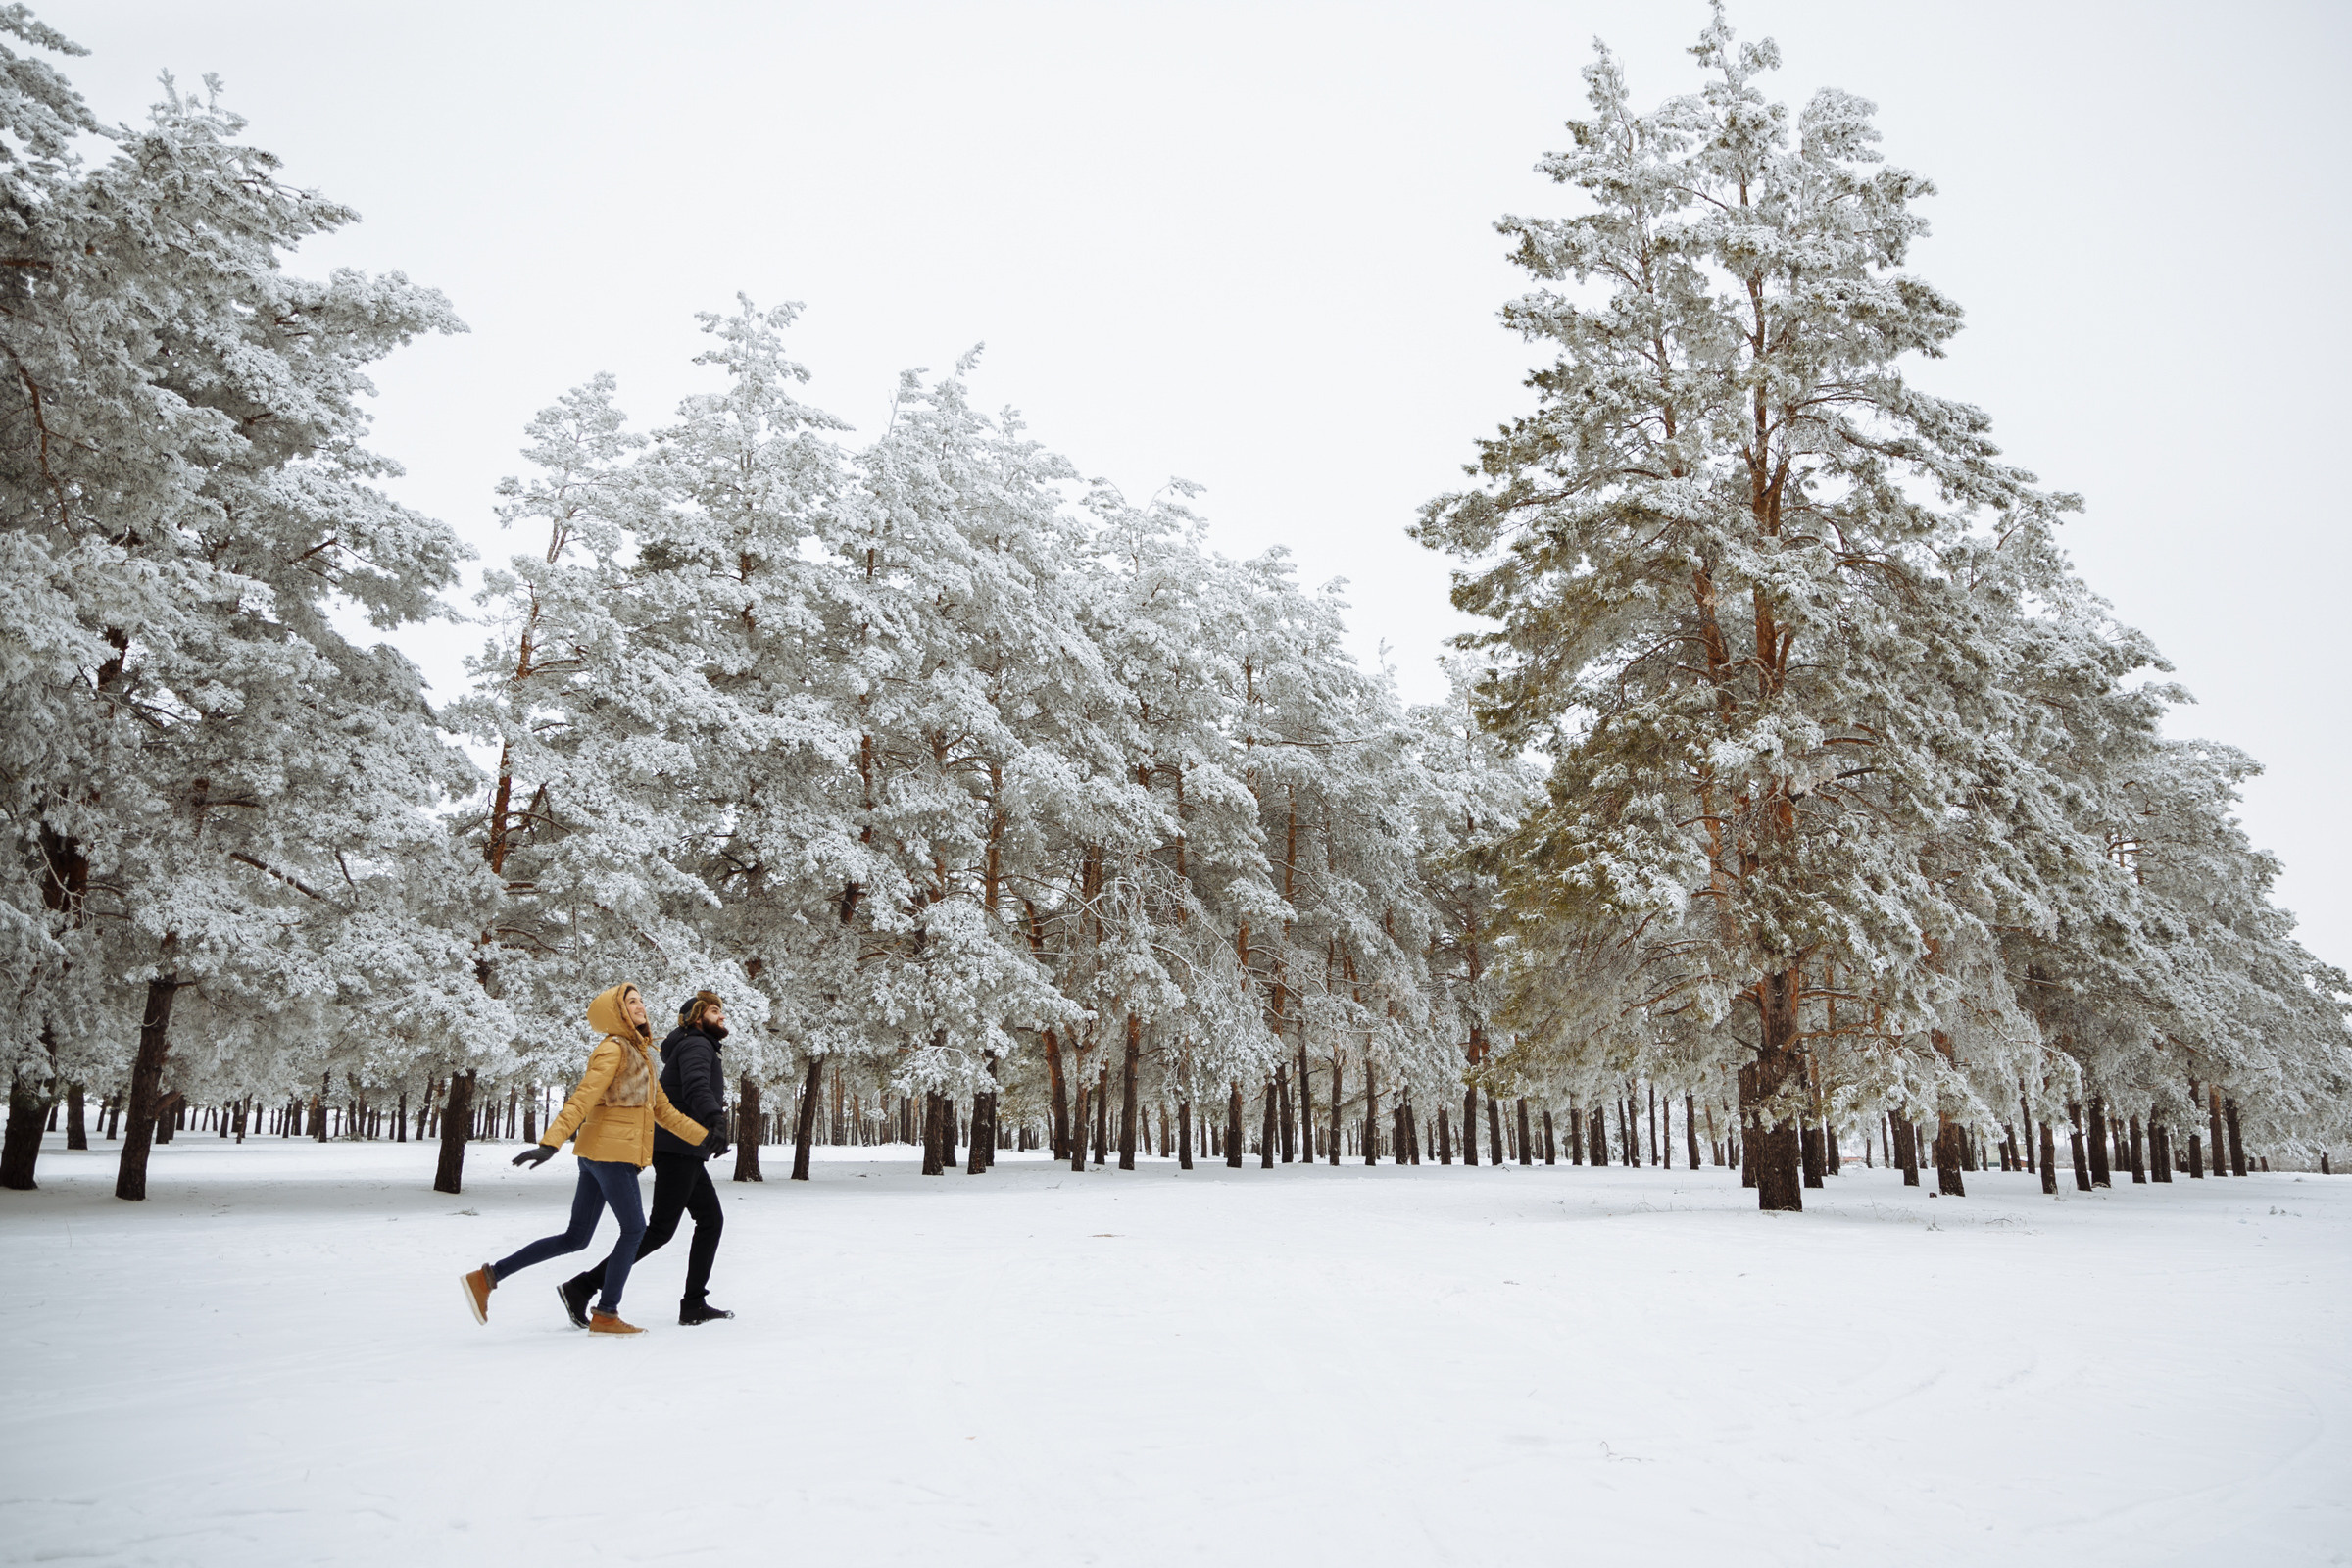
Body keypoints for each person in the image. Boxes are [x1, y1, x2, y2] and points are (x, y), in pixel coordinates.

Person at [458, 982, 717, 1335]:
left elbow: (665, 1113)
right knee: (635, 1230)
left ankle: (487, 1277)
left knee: (575, 1237)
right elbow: (582, 1097)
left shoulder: (640, 1054)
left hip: (600, 1155)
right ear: (618, 1012)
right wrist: (551, 1143)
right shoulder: (614, 1050)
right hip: (611, 1156)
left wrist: (707, 1137)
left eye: (641, 1000)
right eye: (631, 1002)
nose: (640, 1006)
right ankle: (607, 1312)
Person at [557, 991, 735, 1328]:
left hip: (684, 1150)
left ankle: (694, 1303)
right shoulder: (697, 1045)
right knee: (658, 1231)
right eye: (715, 1011)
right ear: (698, 1018)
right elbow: (698, 1086)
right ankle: (581, 1287)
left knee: (710, 1220)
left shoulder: (693, 1044)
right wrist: (715, 1120)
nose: (722, 1016)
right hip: (678, 1149)